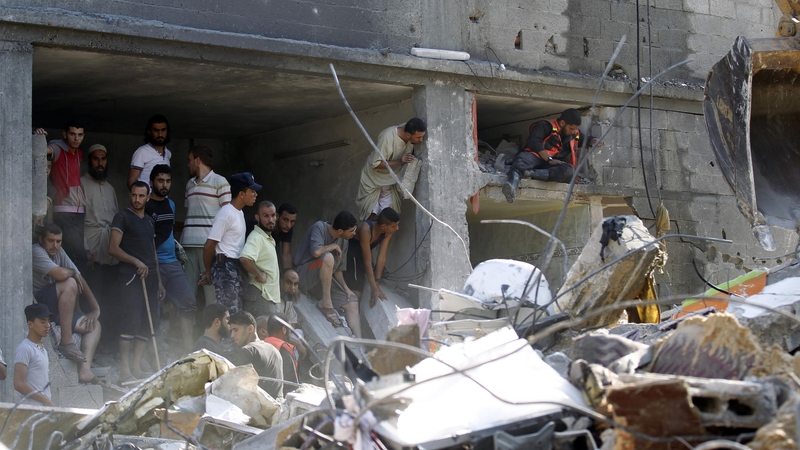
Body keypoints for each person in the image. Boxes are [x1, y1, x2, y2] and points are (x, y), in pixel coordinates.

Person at [32, 223, 103, 387]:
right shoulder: (37, 251)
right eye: (50, 240)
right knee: (70, 282)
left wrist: (95, 309)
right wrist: (72, 273)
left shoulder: (58, 252)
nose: (55, 245)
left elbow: (81, 279)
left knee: (94, 325)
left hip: (58, 307)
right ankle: (66, 341)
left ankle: (85, 370)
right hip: (40, 303)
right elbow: (63, 274)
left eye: (58, 241)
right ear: (41, 239)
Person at [108, 181, 165, 384]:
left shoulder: (149, 221)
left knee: (146, 324)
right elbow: (113, 248)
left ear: (148, 197)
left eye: (141, 196)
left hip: (150, 278)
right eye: (134, 195)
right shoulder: (122, 217)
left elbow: (153, 253)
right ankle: (124, 371)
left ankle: (137, 367)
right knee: (130, 321)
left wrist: (158, 281)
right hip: (131, 276)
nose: (137, 199)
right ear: (130, 195)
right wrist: (135, 262)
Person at [146, 165, 197, 356]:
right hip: (154, 264)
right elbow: (148, 240)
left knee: (188, 302)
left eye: (167, 181)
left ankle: (188, 349)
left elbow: (169, 233)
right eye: (160, 180)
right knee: (153, 308)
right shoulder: (146, 206)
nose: (164, 184)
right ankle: (155, 352)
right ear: (152, 182)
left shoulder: (172, 205)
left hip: (173, 263)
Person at [503, 108, 604, 203]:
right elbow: (533, 142)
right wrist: (548, 159)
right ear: (562, 122)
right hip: (535, 157)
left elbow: (586, 139)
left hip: (549, 165)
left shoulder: (574, 134)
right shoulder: (545, 125)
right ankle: (511, 186)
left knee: (569, 170)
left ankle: (529, 173)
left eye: (575, 129)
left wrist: (593, 141)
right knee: (522, 159)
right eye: (571, 128)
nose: (573, 131)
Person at [201, 173, 261, 313]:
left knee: (237, 314)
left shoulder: (238, 213)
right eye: (252, 191)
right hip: (225, 268)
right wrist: (209, 271)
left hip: (234, 267)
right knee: (229, 315)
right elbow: (209, 246)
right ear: (241, 194)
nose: (255, 194)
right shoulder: (226, 213)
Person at [293, 211, 360, 336]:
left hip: (322, 283)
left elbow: (338, 269)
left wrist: (346, 289)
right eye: (351, 231)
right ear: (340, 231)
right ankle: (326, 303)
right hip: (303, 276)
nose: (354, 233)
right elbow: (316, 252)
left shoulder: (344, 240)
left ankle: (360, 344)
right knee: (328, 257)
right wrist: (333, 245)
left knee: (352, 302)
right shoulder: (320, 227)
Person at [180, 145, 231, 307]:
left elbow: (227, 215)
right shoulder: (189, 184)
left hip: (209, 247)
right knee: (187, 294)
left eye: (190, 160)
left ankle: (212, 331)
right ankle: (186, 333)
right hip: (188, 246)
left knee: (212, 297)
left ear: (197, 160)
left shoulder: (220, 182)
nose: (188, 164)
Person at [81, 143, 119, 346]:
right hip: (92, 248)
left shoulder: (111, 188)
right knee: (93, 299)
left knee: (111, 299)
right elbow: (77, 221)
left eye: (103, 159)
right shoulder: (80, 184)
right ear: (89, 161)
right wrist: (85, 247)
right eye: (96, 159)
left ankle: (108, 346)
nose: (100, 163)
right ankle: (93, 347)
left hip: (110, 250)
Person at [355, 118, 426, 220]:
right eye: (418, 137)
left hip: (390, 181)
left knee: (389, 218)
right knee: (371, 214)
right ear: (408, 135)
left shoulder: (407, 128)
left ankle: (386, 237)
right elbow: (375, 163)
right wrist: (399, 162)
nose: (421, 140)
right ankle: (367, 235)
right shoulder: (387, 137)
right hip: (373, 179)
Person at [47, 120, 89, 273]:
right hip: (63, 210)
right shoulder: (57, 148)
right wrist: (37, 137)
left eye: (79, 135)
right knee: (79, 256)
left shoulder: (78, 153)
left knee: (71, 255)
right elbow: (42, 151)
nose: (76, 139)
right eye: (72, 134)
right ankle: (74, 290)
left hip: (78, 212)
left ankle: (72, 293)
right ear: (65, 134)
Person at [343, 207, 400, 308]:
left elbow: (382, 256)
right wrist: (374, 289)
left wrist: (377, 282)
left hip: (362, 257)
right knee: (356, 291)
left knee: (362, 286)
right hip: (349, 256)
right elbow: (367, 261)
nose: (397, 228)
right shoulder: (366, 229)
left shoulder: (387, 232)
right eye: (394, 226)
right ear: (383, 226)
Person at [228, 311, 283, 399]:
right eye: (231, 331)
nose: (232, 335)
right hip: (278, 407)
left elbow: (237, 390)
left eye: (236, 330)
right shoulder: (273, 349)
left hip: (259, 409)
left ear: (250, 329)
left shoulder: (247, 351)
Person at [240, 201, 281, 318]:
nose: (270, 220)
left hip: (266, 298)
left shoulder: (268, 238)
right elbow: (245, 259)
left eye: (273, 215)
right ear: (257, 218)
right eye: (266, 216)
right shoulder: (256, 236)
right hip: (260, 296)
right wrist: (259, 274)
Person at [14, 304, 55, 406]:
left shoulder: (42, 349)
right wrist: (45, 400)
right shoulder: (25, 348)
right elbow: (19, 384)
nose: (47, 325)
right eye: (42, 321)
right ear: (30, 324)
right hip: (31, 410)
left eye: (48, 321)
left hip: (42, 410)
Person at [258, 314, 299, 392]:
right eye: (289, 330)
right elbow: (290, 384)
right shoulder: (284, 350)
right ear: (284, 329)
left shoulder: (260, 345)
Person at [128, 114, 171, 187]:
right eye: (156, 130)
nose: (160, 134)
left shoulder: (168, 153)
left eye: (163, 130)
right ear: (149, 132)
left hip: (162, 198)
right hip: (146, 198)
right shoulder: (142, 152)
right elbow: (131, 182)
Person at [273, 203, 298, 270]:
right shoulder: (268, 226)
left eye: (292, 221)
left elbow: (286, 255)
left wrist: (288, 275)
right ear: (277, 216)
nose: (288, 225)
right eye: (285, 220)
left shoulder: (288, 229)